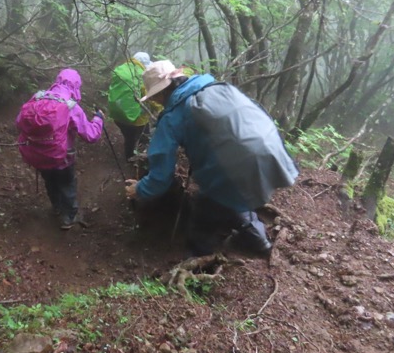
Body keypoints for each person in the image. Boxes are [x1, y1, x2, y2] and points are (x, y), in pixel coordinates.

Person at [124, 60, 298, 256]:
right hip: (273, 153)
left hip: (236, 169)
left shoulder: (174, 116)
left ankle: (198, 268)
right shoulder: (219, 88)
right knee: (230, 196)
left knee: (203, 213)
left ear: (164, 92)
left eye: (155, 98)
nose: (157, 103)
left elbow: (161, 175)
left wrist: (140, 189)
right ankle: (257, 240)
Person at [16, 69, 104, 229]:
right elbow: (91, 136)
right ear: (76, 86)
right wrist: (98, 119)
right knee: (67, 183)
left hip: (38, 154)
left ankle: (56, 207)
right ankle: (68, 217)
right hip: (63, 157)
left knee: (50, 181)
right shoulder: (71, 107)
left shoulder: (38, 98)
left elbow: (19, 121)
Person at [107, 52, 152, 160]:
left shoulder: (121, 69)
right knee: (132, 137)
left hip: (116, 112)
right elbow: (148, 96)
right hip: (133, 118)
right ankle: (130, 157)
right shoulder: (142, 75)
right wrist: (159, 107)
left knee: (129, 135)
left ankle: (138, 144)